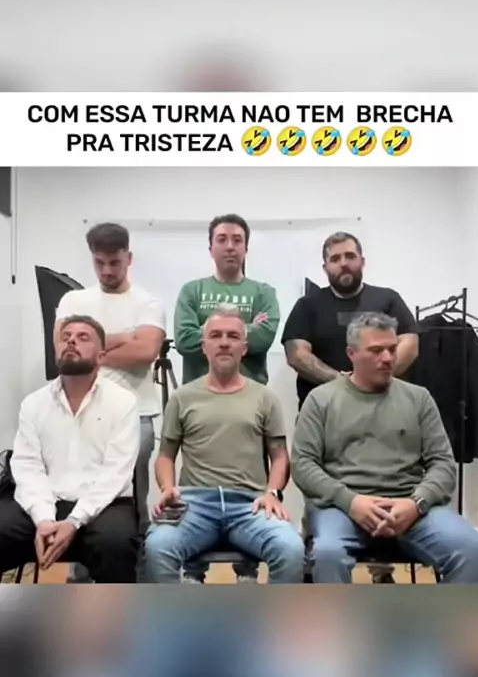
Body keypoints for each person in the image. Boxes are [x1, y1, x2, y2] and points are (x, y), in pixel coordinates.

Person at [290, 312, 478, 584]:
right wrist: (350, 501)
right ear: (352, 353)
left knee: (472, 549)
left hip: (409, 505)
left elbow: (443, 464)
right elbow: (303, 465)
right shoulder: (321, 400)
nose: (388, 358)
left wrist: (416, 503)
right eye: (376, 350)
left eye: (392, 349)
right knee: (327, 553)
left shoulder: (419, 398)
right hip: (342, 508)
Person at [282, 230, 419, 583]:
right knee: (320, 484)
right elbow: (296, 353)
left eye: (349, 256)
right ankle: (317, 555)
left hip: (385, 411)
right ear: (325, 266)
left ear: (362, 261)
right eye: (335, 258)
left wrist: (374, 378)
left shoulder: (387, 299)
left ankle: (381, 568)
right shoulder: (308, 305)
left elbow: (409, 342)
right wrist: (345, 384)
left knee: (384, 478)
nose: (343, 264)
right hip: (323, 414)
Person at [145, 306, 305, 584]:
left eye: (233, 336)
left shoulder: (265, 398)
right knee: (157, 547)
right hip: (194, 505)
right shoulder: (183, 397)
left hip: (250, 506)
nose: (224, 342)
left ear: (244, 348)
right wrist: (168, 488)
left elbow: (280, 457)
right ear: (204, 346)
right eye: (216, 335)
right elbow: (165, 456)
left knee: (291, 549)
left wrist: (273, 493)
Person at [54, 222, 166, 581]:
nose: (106, 271)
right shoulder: (74, 301)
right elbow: (64, 351)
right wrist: (124, 337)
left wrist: (92, 346)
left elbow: (146, 352)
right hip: (80, 414)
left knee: (132, 501)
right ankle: (82, 577)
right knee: (81, 495)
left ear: (128, 258)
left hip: (136, 417)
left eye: (114, 262)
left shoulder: (147, 302)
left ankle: (136, 579)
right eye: (99, 263)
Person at [0, 316, 140, 583]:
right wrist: (44, 520)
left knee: (116, 545)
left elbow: (116, 473)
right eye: (66, 337)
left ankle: (113, 611)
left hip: (103, 504)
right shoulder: (33, 404)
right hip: (46, 501)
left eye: (83, 337)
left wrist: (74, 521)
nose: (71, 341)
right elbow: (27, 467)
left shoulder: (123, 402)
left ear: (101, 356)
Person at [174, 213, 280, 385]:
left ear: (245, 249)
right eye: (222, 240)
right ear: (211, 249)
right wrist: (247, 329)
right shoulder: (191, 291)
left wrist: (206, 332)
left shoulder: (263, 292)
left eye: (237, 240)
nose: (230, 246)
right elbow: (185, 341)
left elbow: (263, 339)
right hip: (199, 393)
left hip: (250, 393)